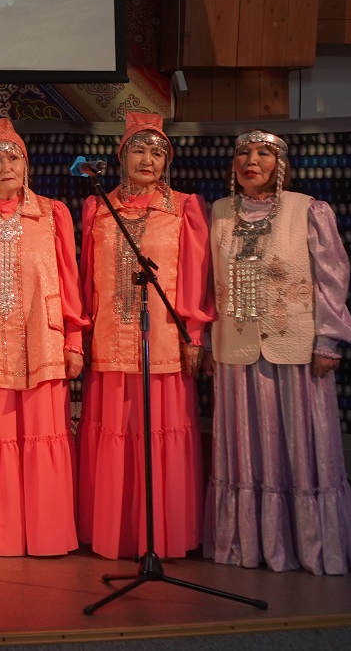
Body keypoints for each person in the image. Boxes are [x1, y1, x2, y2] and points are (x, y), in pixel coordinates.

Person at [203, 130, 351, 575]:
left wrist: (328, 338)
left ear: (281, 165)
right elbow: (207, 279)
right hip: (235, 346)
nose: (251, 161)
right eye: (243, 153)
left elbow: (333, 277)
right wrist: (206, 341)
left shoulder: (307, 209)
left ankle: (311, 546)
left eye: (263, 154)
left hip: (295, 344)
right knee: (244, 448)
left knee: (301, 446)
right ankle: (248, 543)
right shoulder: (219, 212)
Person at [75, 110, 213, 560]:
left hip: (164, 340)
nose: (148, 159)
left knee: (160, 433)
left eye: (157, 152)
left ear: (167, 161)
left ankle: (163, 536)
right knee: (114, 431)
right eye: (139, 149)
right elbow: (87, 277)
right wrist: (81, 333)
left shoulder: (184, 208)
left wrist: (194, 335)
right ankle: (116, 534)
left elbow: (195, 276)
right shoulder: (98, 206)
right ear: (122, 157)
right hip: (109, 339)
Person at [0, 118, 83, 556]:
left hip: (43, 340)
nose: (6, 166)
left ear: (26, 164)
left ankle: (47, 535)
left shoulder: (52, 213)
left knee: (45, 433)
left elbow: (69, 280)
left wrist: (73, 339)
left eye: (13, 157)